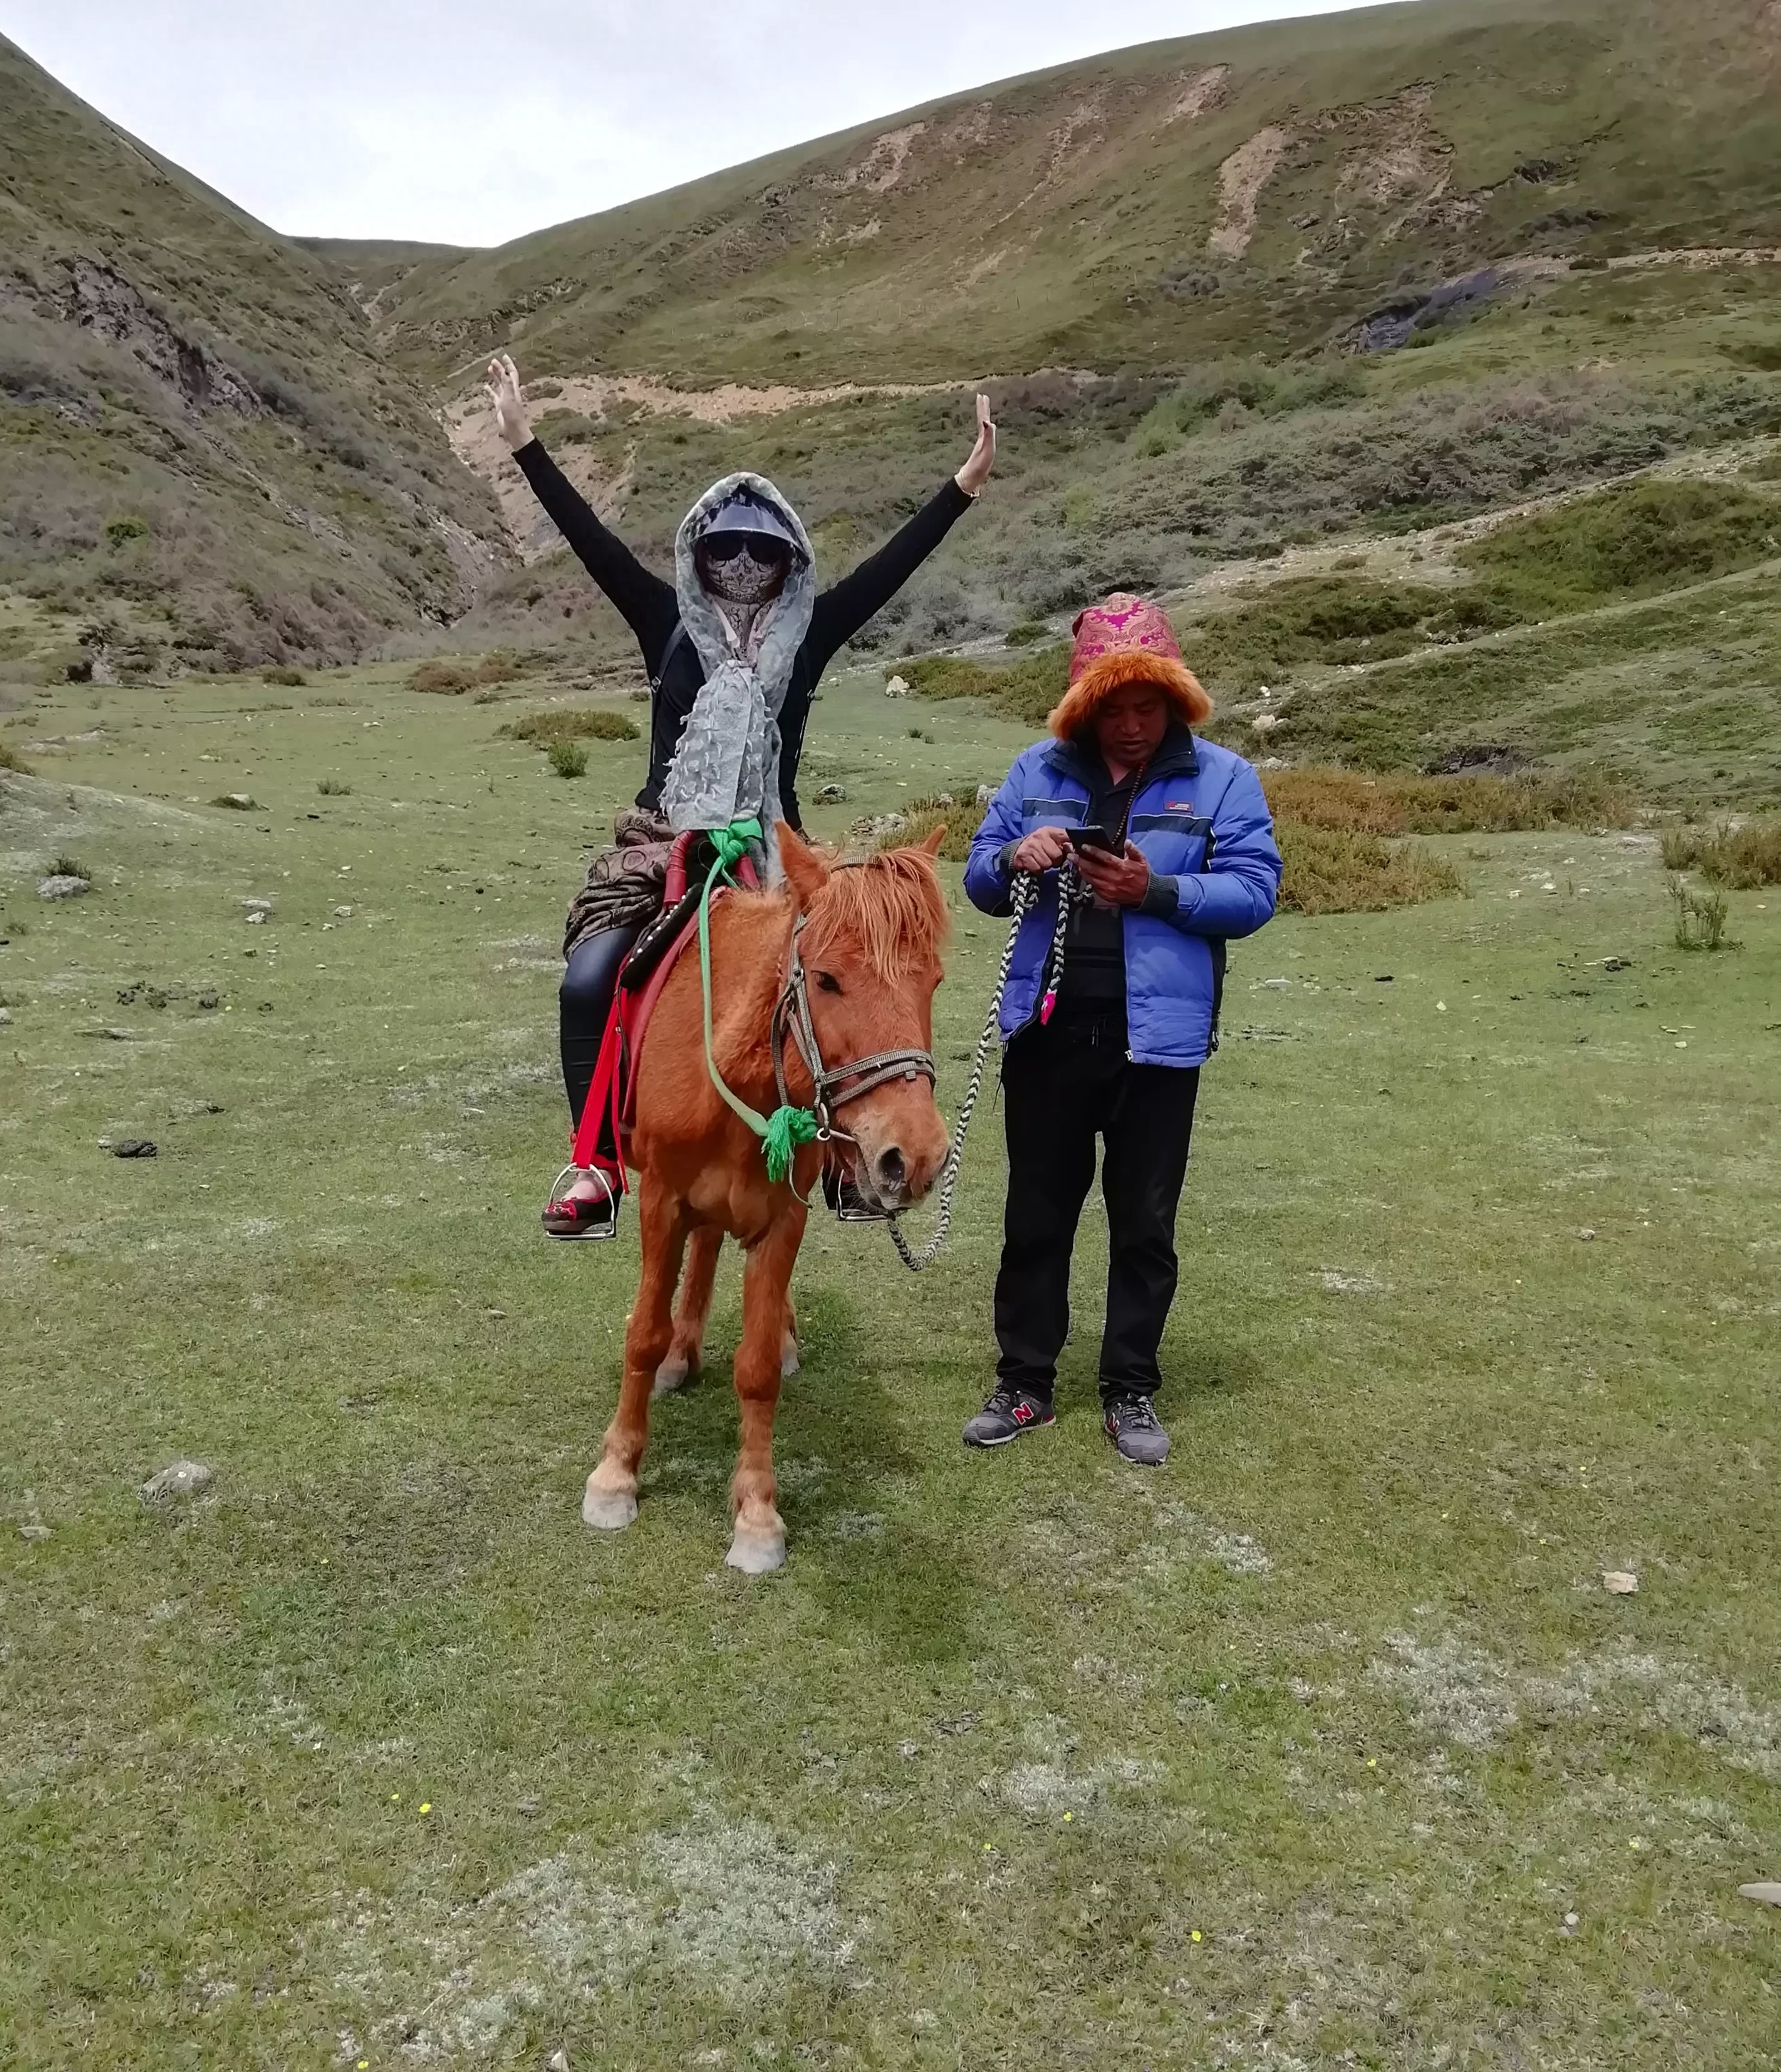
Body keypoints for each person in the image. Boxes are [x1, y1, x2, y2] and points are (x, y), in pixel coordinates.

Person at [480, 353, 996, 1237]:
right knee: (590, 979)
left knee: (837, 997)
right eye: (727, 549)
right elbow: (590, 541)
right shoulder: (663, 621)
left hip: (773, 853)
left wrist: (962, 487)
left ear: (789, 557)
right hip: (664, 843)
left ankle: (840, 1162)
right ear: (699, 554)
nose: (746, 565)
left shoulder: (814, 632)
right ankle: (598, 1162)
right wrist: (524, 444)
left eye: (764, 550)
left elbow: (890, 568)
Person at [958, 595, 1281, 1462]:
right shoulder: (1037, 773)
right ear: (1086, 706)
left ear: (1174, 701)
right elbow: (979, 882)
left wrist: (1158, 892)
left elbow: (1255, 892)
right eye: (1115, 708)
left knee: (1143, 1223)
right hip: (1049, 1031)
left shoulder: (1224, 779)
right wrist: (1009, 859)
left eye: (1149, 707)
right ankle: (1025, 1384)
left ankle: (1130, 1390)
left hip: (1160, 1042)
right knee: (1035, 1216)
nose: (1133, 726)